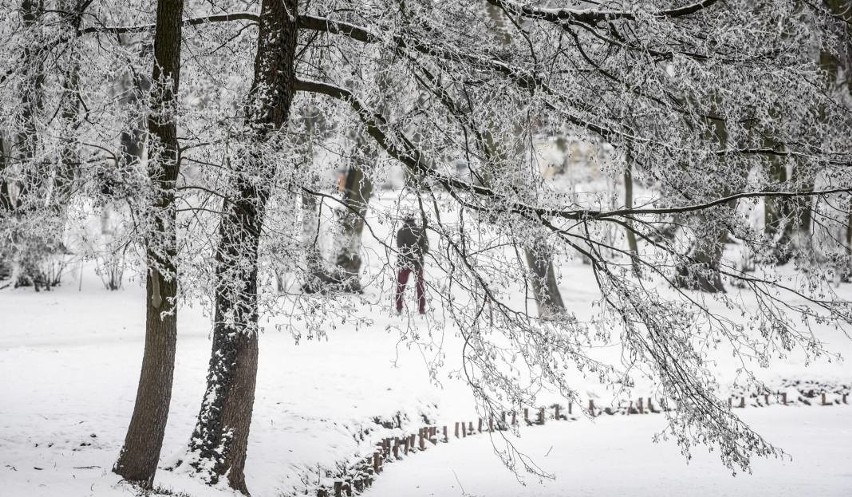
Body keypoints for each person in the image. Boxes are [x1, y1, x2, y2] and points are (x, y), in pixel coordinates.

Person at [395, 216, 428, 314]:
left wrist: (408, 255)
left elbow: (400, 247)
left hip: (404, 262)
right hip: (417, 262)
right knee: (420, 286)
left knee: (401, 285)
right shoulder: (420, 231)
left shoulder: (401, 231)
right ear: (414, 220)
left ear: (404, 221)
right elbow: (425, 247)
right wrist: (417, 254)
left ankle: (399, 307)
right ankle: (421, 309)